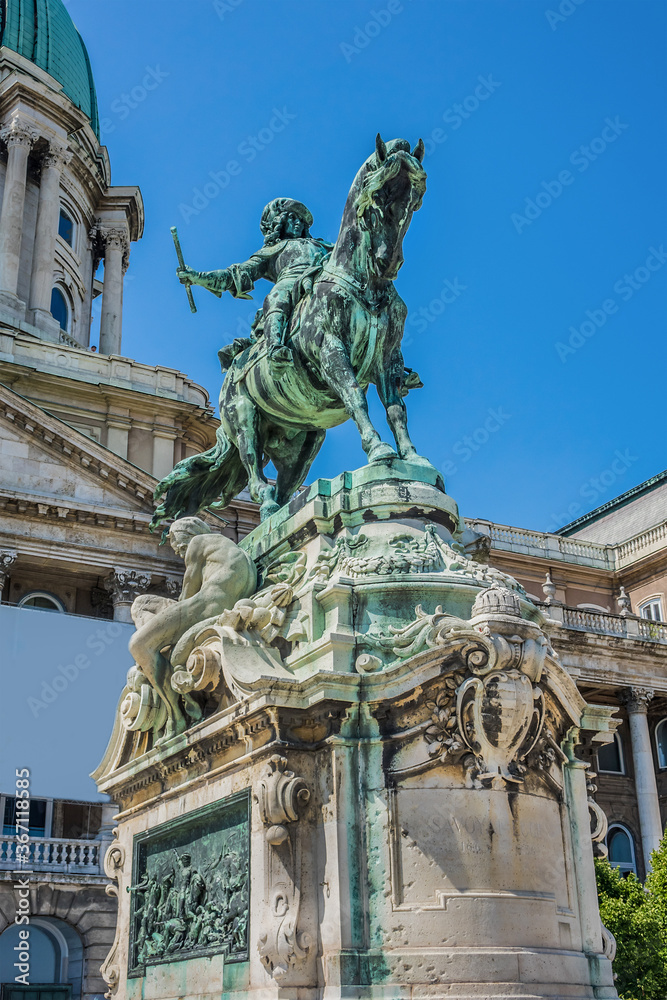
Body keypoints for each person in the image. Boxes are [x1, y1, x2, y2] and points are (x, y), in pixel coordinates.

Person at [127, 517, 257, 740]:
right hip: (214, 605)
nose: (178, 551)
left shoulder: (198, 542)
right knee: (143, 606)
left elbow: (187, 592)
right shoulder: (232, 551)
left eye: (177, 543)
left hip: (203, 607)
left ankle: (175, 715)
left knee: (138, 644)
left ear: (187, 533)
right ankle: (159, 657)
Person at [176, 198, 332, 370]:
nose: (298, 223)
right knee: (277, 296)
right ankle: (275, 349)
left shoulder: (323, 245)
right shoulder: (273, 250)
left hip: (325, 279)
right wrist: (198, 277)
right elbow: (234, 274)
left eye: (301, 220)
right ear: (279, 223)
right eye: (292, 218)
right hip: (290, 284)